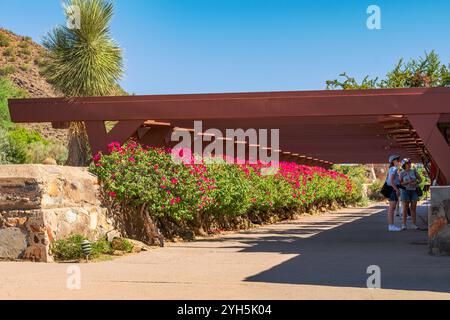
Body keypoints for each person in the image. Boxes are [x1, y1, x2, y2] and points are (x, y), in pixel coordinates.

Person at [399, 158, 422, 230]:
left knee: (413, 208)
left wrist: (416, 182)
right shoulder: (402, 173)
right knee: (405, 208)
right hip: (405, 191)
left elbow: (420, 179)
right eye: (408, 163)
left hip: (414, 191)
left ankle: (414, 224)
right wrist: (407, 182)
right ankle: (404, 225)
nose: (409, 164)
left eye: (410, 163)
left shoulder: (414, 171)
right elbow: (400, 183)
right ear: (404, 165)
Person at [386, 155, 402, 232]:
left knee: (391, 209)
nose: (399, 161)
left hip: (392, 189)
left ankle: (391, 225)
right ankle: (391, 226)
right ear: (393, 161)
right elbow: (391, 181)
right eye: (397, 159)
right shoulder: (394, 168)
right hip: (393, 189)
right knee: (392, 209)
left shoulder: (391, 169)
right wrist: (397, 190)